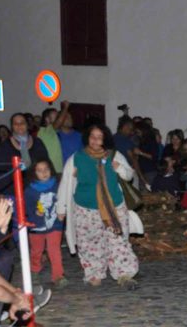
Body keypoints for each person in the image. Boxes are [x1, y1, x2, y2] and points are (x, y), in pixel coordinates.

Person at [56, 123, 139, 287]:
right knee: (89, 242)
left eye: (99, 137)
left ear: (104, 139)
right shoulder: (76, 158)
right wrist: (61, 208)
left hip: (113, 207)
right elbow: (65, 183)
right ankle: (94, 273)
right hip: (85, 208)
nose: (95, 140)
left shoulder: (114, 155)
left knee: (118, 241)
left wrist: (120, 168)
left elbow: (129, 174)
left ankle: (124, 273)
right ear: (87, 138)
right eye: (92, 137)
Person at [25, 159, 65, 288]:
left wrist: (62, 210)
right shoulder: (30, 190)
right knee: (37, 250)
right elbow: (26, 207)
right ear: (34, 173)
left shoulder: (58, 185)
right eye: (40, 171)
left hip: (55, 223)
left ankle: (58, 276)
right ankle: (35, 269)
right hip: (36, 225)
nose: (44, 173)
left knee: (54, 249)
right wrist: (34, 212)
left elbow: (63, 199)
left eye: (46, 169)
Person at [0, 113, 49, 197]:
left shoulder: (37, 142)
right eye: (16, 123)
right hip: (12, 191)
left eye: (22, 122)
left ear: (27, 125)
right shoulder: (6, 146)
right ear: (12, 127)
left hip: (36, 188)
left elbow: (47, 163)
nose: (19, 125)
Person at [36, 106, 64, 172]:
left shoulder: (54, 132)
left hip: (57, 170)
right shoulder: (44, 131)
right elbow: (59, 122)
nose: (59, 119)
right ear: (47, 119)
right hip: (50, 171)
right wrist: (65, 107)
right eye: (56, 117)